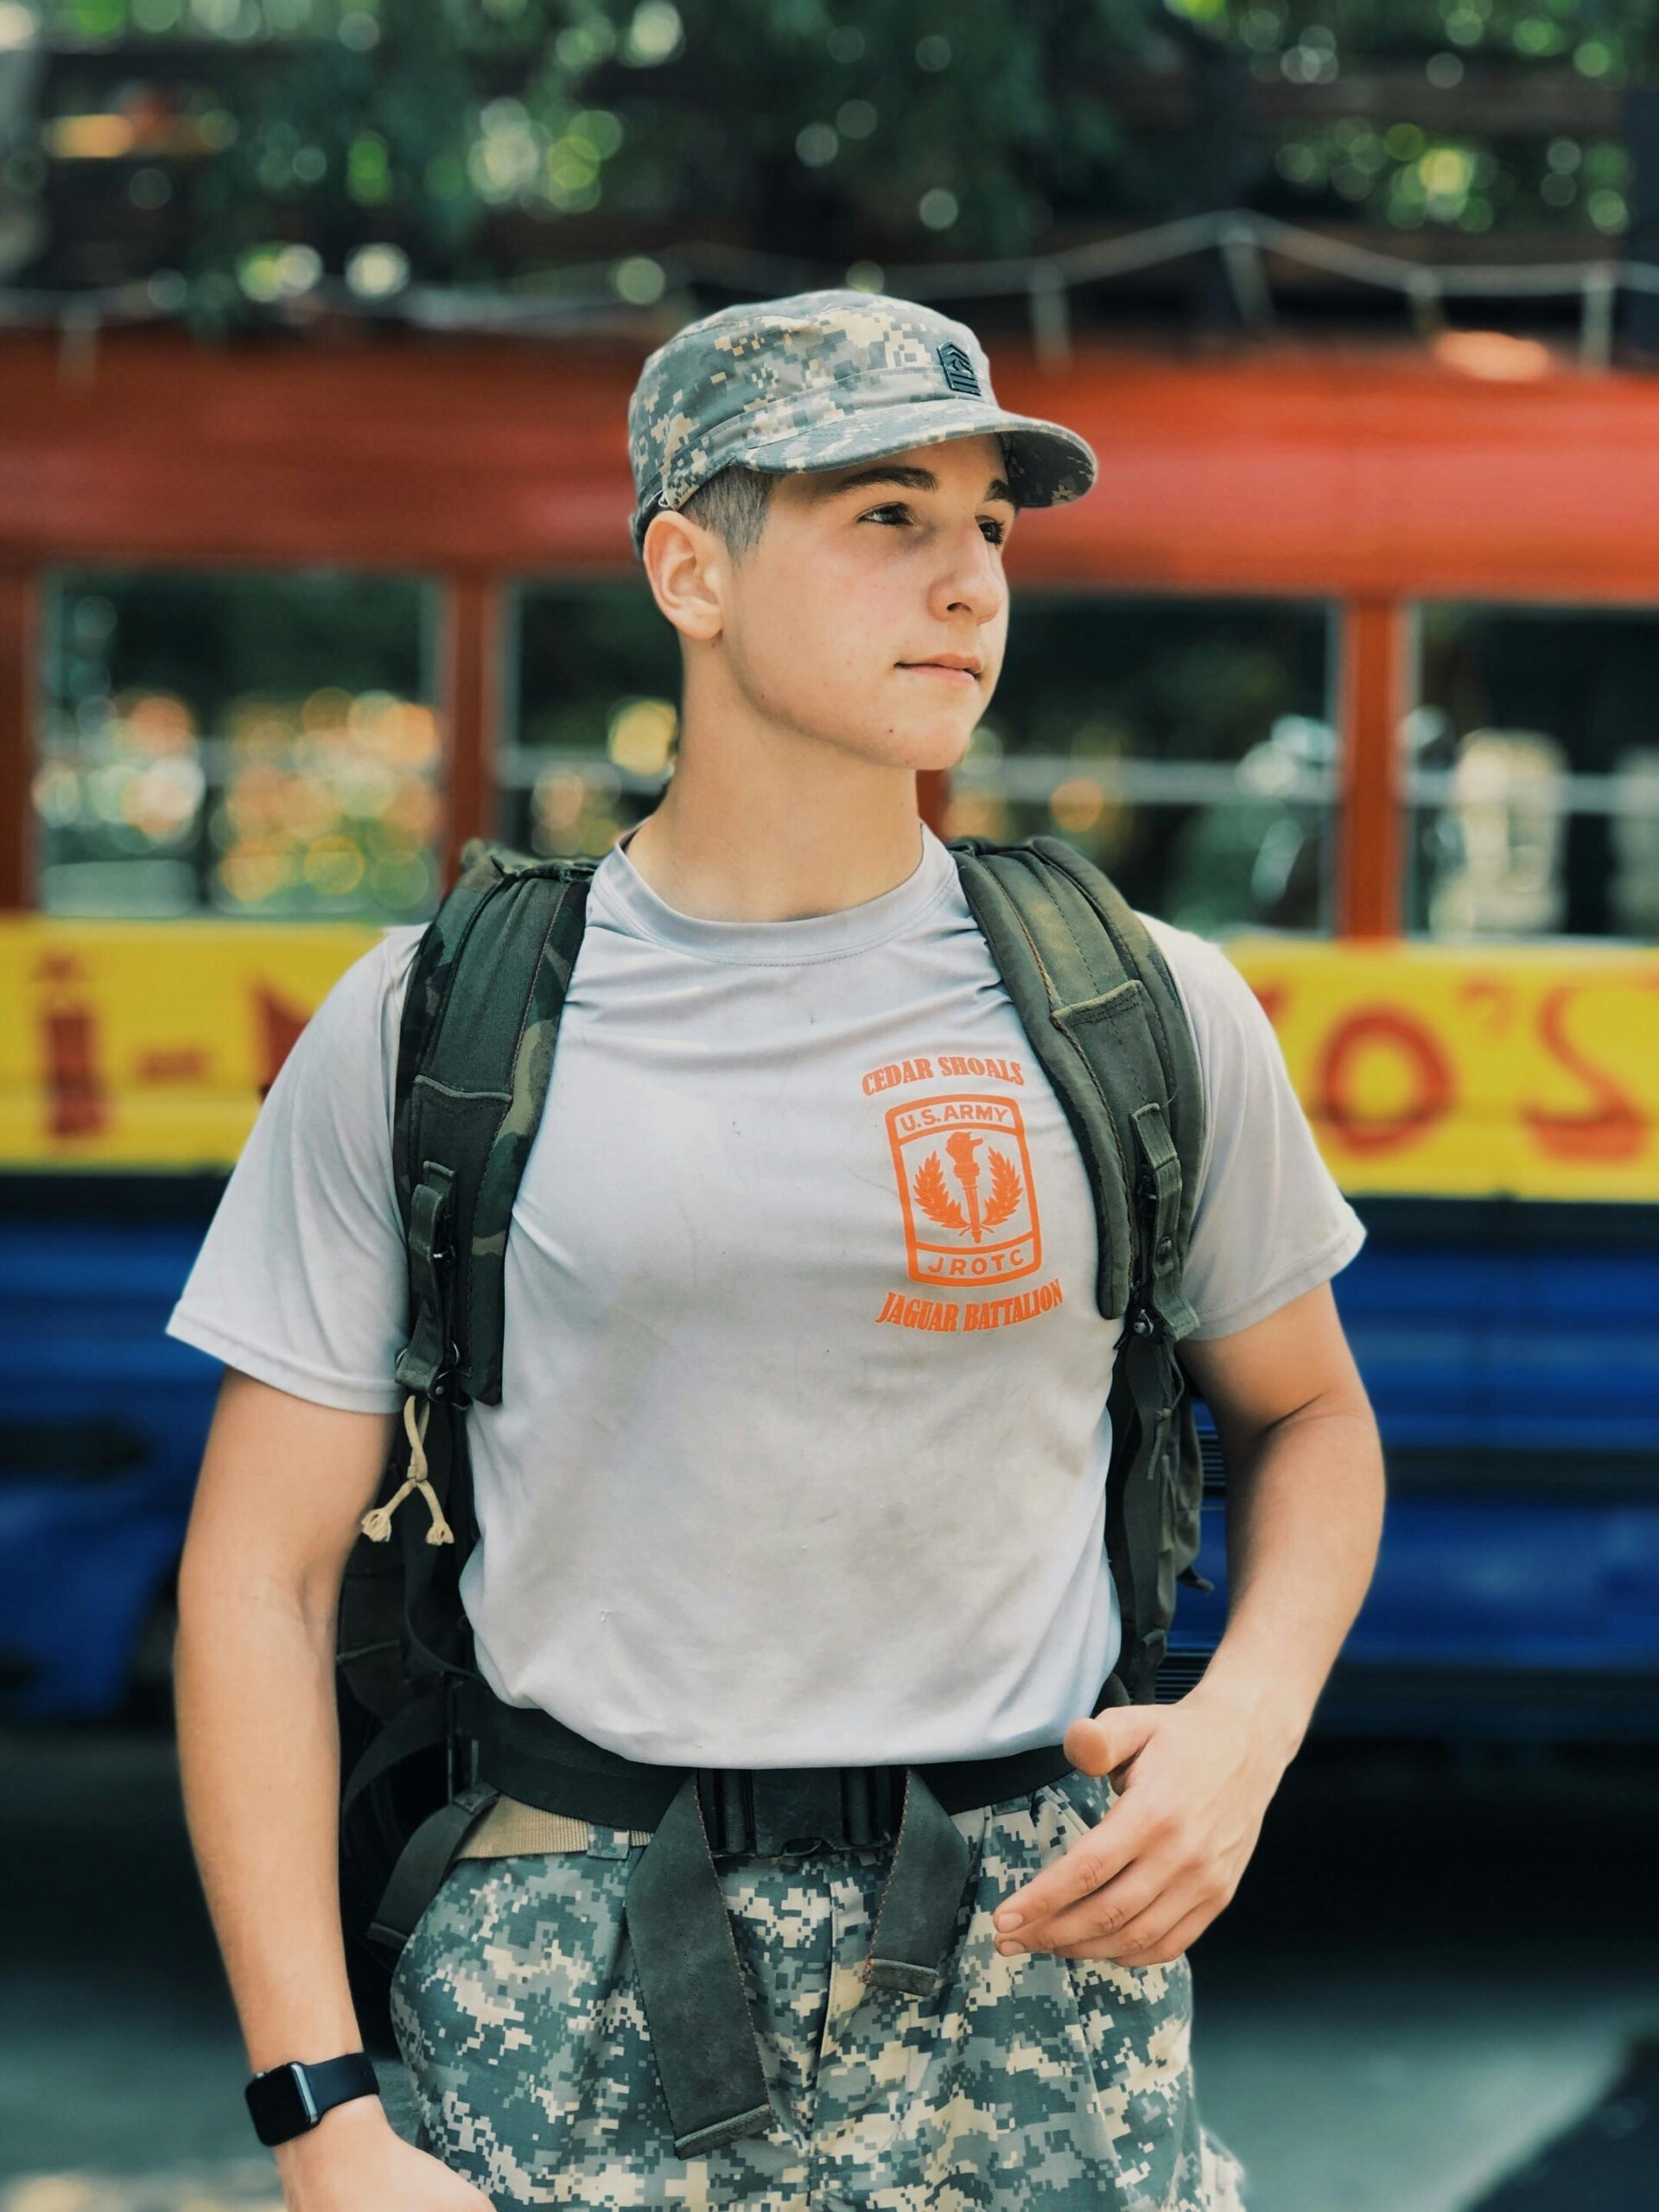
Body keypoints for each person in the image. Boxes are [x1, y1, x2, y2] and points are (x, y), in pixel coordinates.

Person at [168, 289, 1386, 2211]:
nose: (969, 579)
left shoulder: (1144, 1007)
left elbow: (1313, 1411)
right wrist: (323, 2117)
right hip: (570, 1990)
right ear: (689, 567)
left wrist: (1248, 1716)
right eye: (885, 514)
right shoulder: (437, 1022)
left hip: (1037, 1984)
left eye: (991, 523)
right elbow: (256, 1571)